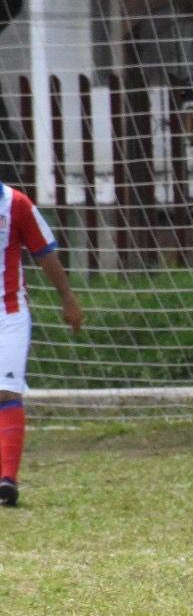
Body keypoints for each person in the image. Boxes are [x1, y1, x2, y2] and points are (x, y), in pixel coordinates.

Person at [0, 181, 85, 507]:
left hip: (10, 313)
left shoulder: (16, 204)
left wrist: (67, 299)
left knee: (7, 390)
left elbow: (44, 252)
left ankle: (8, 480)